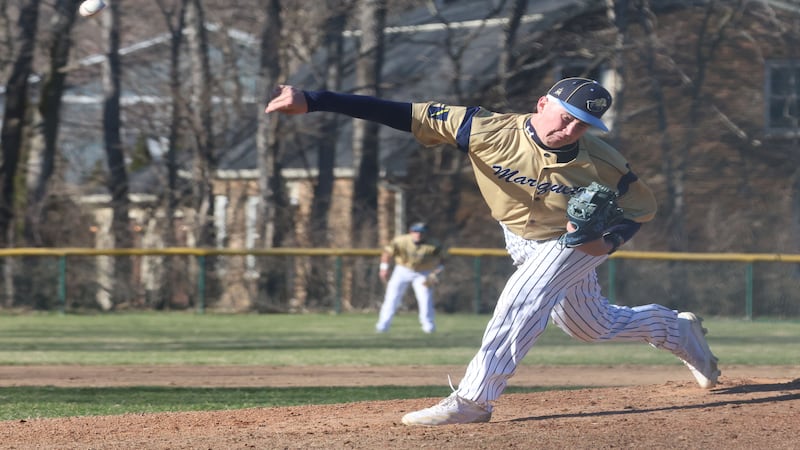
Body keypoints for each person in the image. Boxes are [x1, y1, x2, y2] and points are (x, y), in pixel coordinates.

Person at [264, 77, 720, 426]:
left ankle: (473, 401)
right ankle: (675, 329)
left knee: (524, 299)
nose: (570, 128)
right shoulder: (483, 128)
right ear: (542, 104)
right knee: (590, 326)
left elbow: (643, 207)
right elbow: (402, 113)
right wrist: (315, 98)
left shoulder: (602, 162)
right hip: (519, 236)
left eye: (582, 123)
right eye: (564, 115)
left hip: (576, 241)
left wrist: (610, 240)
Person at [376, 221, 445, 334]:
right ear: (411, 232)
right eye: (415, 231)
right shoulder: (401, 241)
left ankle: (429, 327)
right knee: (391, 298)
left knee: (425, 299)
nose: (418, 234)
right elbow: (387, 253)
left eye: (421, 232)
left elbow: (443, 260)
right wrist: (384, 268)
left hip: (423, 272)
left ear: (426, 233)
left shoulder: (434, 244)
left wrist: (435, 273)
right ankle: (382, 326)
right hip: (402, 270)